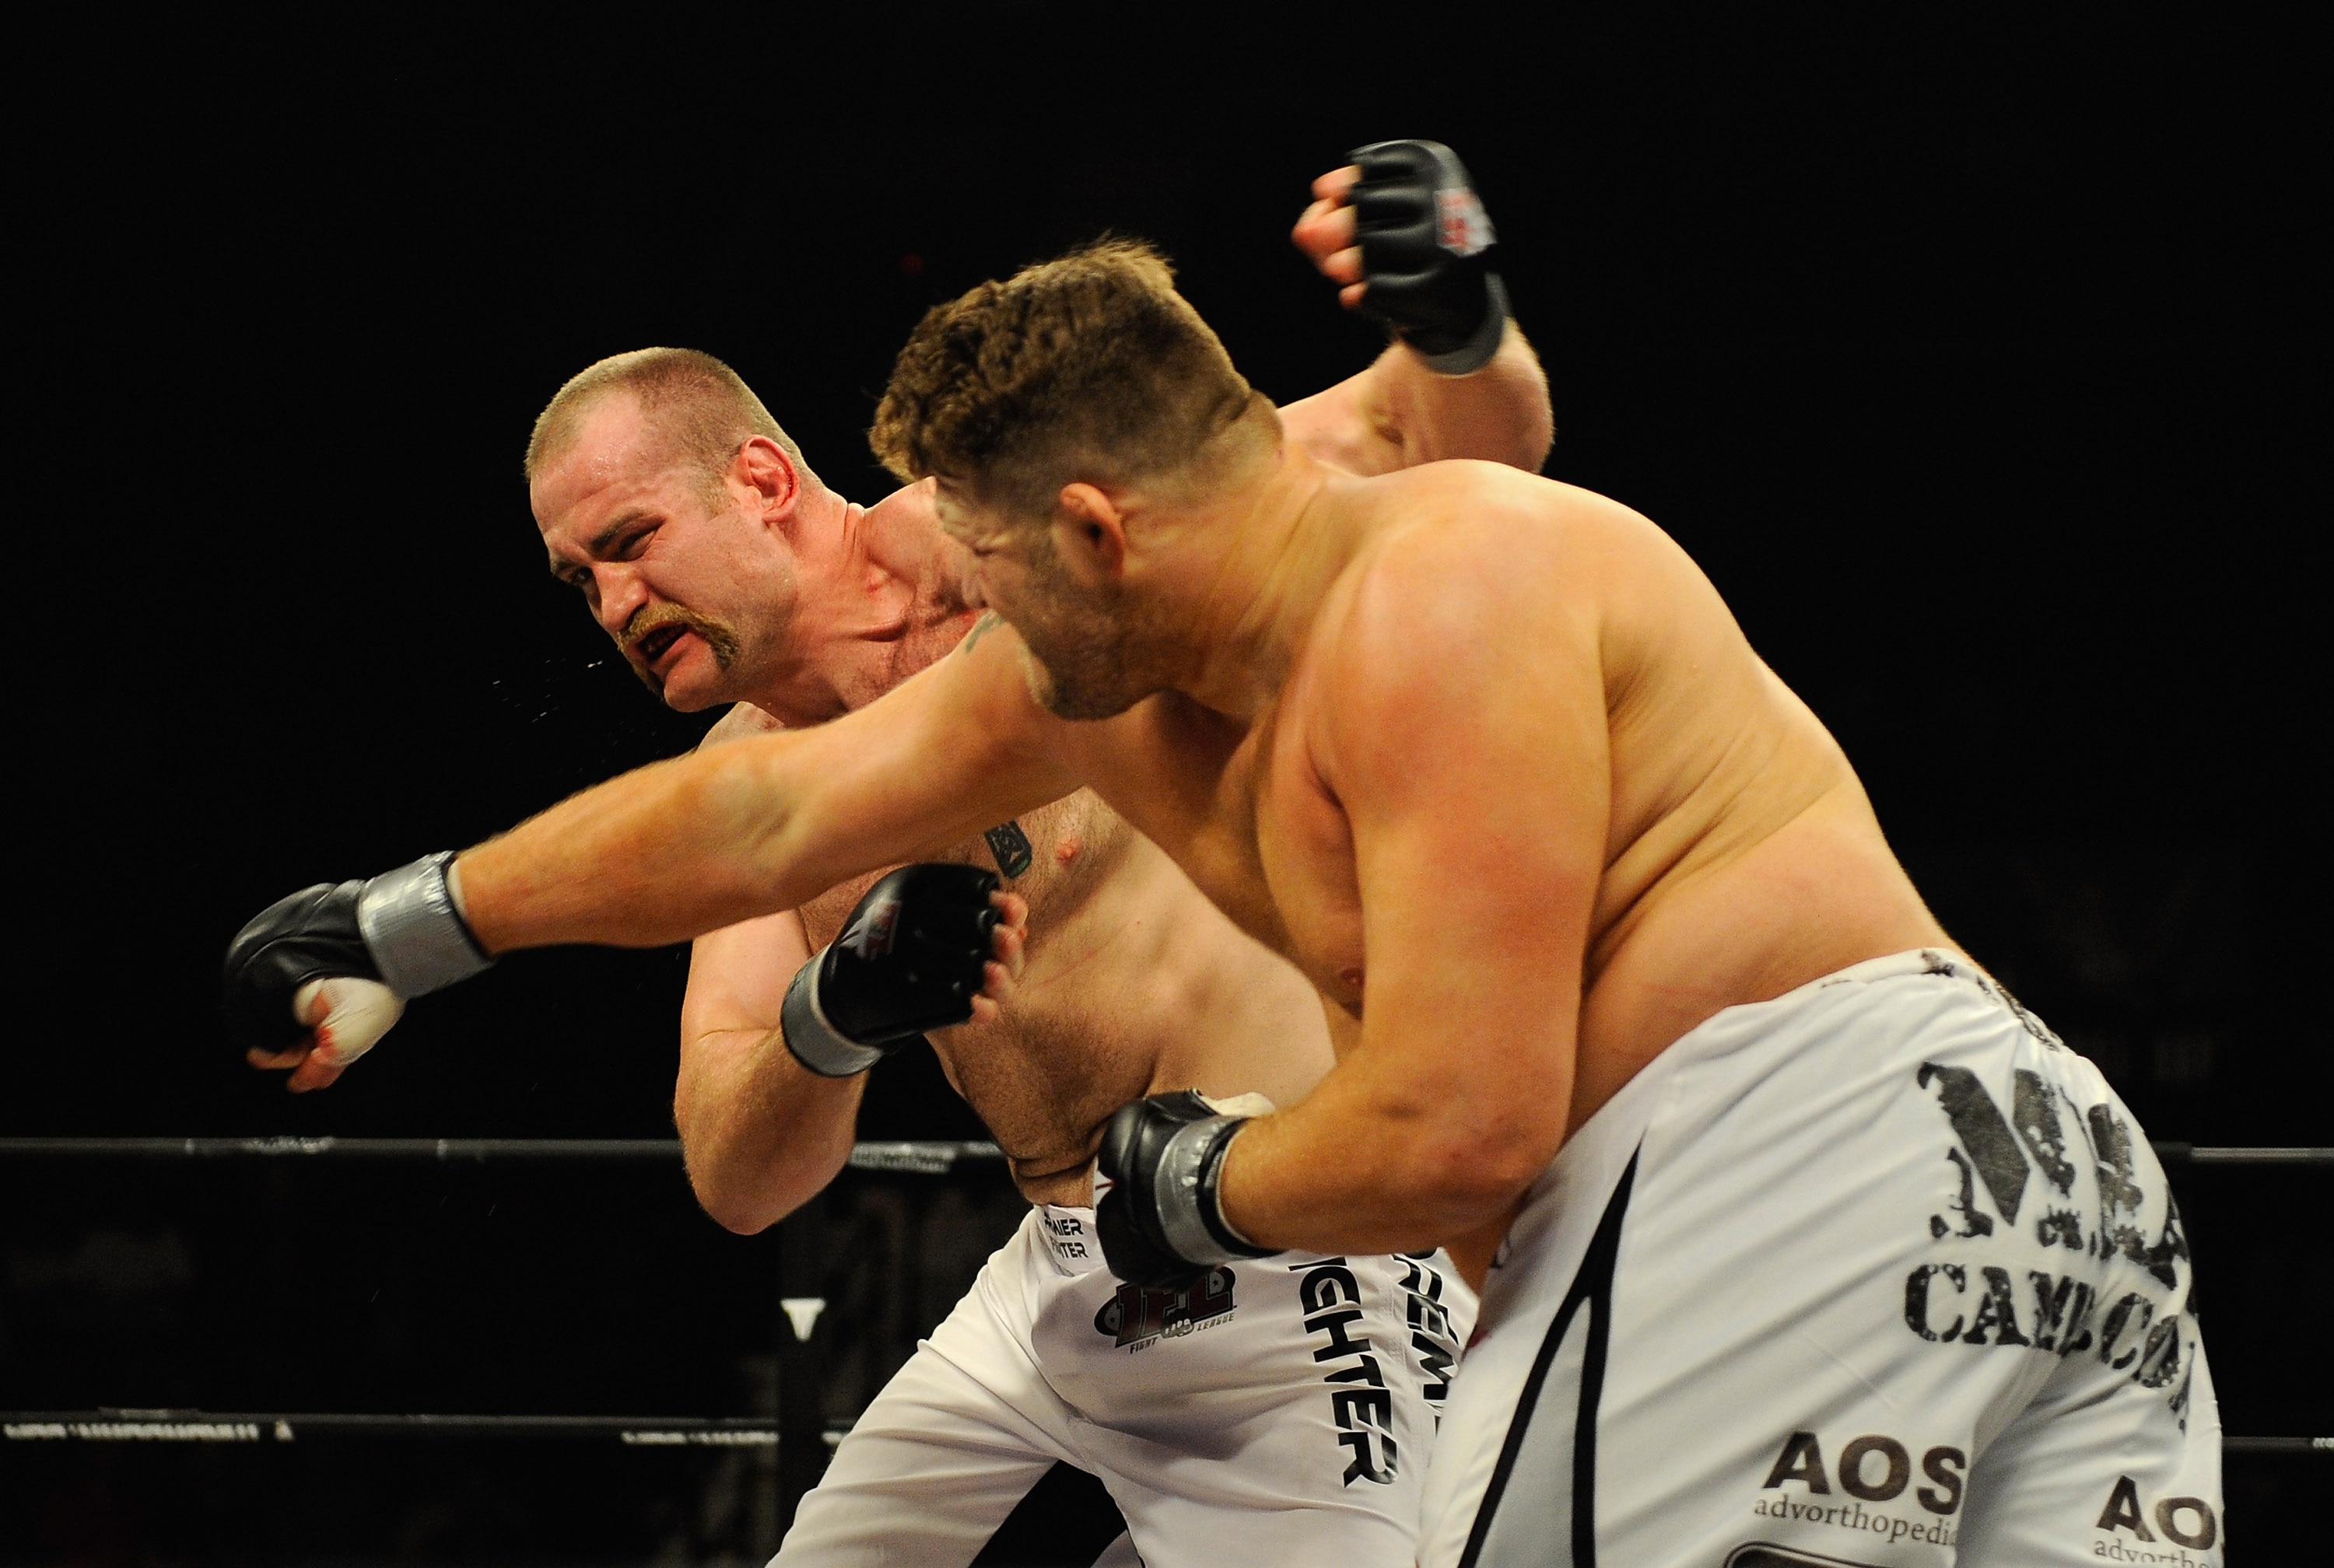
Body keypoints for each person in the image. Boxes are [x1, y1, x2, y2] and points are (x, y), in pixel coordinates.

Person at [229, 184, 2222, 1563]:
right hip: (2030, 1157)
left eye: (994, 566)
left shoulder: (1394, 586)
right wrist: (415, 918)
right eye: (575, 578)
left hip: (1535, 1199)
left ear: (1089, 530)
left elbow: (1453, 1116)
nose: (972, 614)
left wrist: (1201, 1180)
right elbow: (747, 859)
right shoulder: (1113, 639)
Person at [236, 145, 1554, 1567]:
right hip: (1054, 1290)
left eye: (631, 541)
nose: (615, 602)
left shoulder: (1034, 540)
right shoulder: (740, 781)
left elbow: (1448, 444)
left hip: (1291, 1241)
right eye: (581, 580)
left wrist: (1458, 320)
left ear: (758, 478)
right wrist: (833, 1020)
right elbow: (737, 1180)